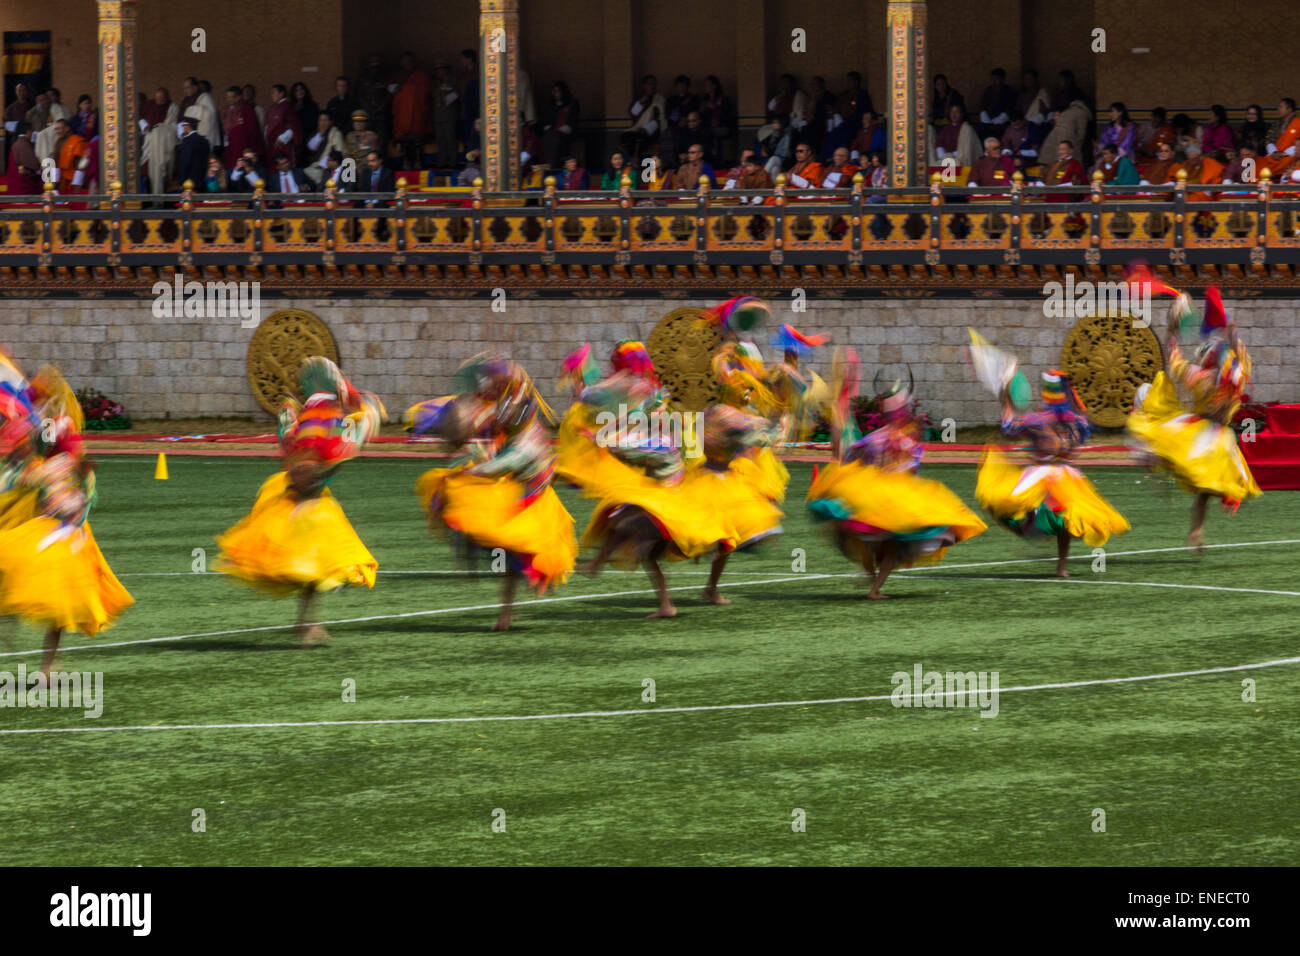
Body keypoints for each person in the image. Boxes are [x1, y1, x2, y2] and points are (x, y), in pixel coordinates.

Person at [560, 340, 735, 618]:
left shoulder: (636, 386)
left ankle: (598, 563)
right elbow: (605, 404)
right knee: (634, 530)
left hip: (662, 464)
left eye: (616, 360)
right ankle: (666, 604)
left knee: (626, 517)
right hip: (658, 465)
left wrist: (582, 382)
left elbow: (601, 401)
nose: (613, 366)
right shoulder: (645, 387)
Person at [216, 357, 383, 646]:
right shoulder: (323, 427)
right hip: (302, 503)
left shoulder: (311, 425)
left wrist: (357, 423)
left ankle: (308, 623)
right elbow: (324, 460)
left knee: (315, 568)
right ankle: (308, 624)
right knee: (314, 567)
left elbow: (322, 456)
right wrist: (363, 420)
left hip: (306, 499)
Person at [407, 356, 576, 631]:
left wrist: (468, 470)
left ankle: (504, 606)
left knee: (506, 549)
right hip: (516, 489)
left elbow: (496, 467)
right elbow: (487, 418)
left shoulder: (525, 446)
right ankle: (504, 612)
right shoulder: (517, 418)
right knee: (503, 554)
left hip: (530, 503)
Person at [808, 351, 986, 598]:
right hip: (889, 496)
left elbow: (849, 457)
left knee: (878, 540)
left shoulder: (885, 439)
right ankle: (873, 584)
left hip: (882, 494)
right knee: (885, 542)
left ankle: (872, 582)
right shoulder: (895, 440)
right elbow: (905, 468)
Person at [0, 358, 133, 677]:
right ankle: (43, 663)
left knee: (55, 598)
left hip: (59, 530)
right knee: (36, 589)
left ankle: (46, 668)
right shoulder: (40, 451)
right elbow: (18, 470)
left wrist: (78, 502)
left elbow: (80, 478)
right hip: (44, 524)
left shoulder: (56, 450)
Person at [969, 341, 1128, 577]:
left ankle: (1035, 533)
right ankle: (1059, 563)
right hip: (1067, 478)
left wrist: (1005, 396)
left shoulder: (1039, 420)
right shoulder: (1077, 422)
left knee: (1022, 508)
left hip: (1045, 475)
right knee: (1064, 520)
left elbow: (1008, 427)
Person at [1127, 285, 1261, 550]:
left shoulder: (1204, 377)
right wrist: (1230, 330)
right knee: (1207, 488)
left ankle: (1196, 531)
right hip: (1215, 436)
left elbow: (1173, 358)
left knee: (1204, 486)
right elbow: (1241, 355)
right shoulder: (1233, 377)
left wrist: (1172, 330)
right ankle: (1197, 530)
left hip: (1205, 434)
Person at [391, 52, 431, 169]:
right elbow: (391, 90)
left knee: (417, 138)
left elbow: (425, 92)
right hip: (402, 112)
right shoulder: (398, 75)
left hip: (416, 112)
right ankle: (406, 161)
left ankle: (418, 161)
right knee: (404, 139)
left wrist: (407, 90)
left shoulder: (421, 75)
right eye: (405, 62)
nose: (407, 64)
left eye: (409, 61)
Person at [621, 74, 665, 160]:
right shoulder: (640, 98)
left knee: (640, 138)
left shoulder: (659, 98)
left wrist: (647, 128)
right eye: (649, 84)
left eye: (654, 84)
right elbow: (633, 113)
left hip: (653, 130)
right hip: (637, 128)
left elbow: (660, 118)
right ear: (644, 86)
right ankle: (633, 159)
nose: (652, 86)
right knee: (626, 137)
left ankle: (636, 159)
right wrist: (641, 102)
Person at [221, 85, 262, 170]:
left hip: (243, 145)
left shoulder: (247, 109)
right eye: (227, 97)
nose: (228, 99)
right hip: (230, 145)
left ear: (239, 97)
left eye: (231, 97)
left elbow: (253, 129)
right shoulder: (227, 109)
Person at [541, 80, 579, 169]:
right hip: (552, 132)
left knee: (556, 141)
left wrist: (566, 128)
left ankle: (553, 166)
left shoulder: (572, 103)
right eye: (554, 91)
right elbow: (547, 119)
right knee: (545, 140)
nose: (555, 93)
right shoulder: (550, 104)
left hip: (567, 134)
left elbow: (574, 119)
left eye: (557, 91)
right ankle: (546, 166)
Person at [265, 84, 303, 166]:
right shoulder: (272, 108)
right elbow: (268, 124)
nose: (272, 95)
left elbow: (294, 127)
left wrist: (282, 138)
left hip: (283, 146)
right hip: (272, 146)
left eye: (274, 93)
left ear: (281, 94)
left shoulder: (288, 107)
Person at [303, 112, 346, 186]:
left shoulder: (335, 133)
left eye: (325, 120)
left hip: (328, 166)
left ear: (330, 122)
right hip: (315, 164)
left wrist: (323, 164)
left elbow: (338, 152)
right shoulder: (316, 133)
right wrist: (320, 135)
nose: (323, 123)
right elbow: (311, 147)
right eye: (321, 120)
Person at [1261, 98, 1300, 177]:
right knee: (1263, 162)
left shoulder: (1298, 123)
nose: (1278, 109)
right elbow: (1269, 140)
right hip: (1275, 157)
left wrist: (1285, 154)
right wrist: (1274, 153)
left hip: (1291, 155)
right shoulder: (1276, 125)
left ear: (1289, 109)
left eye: (1281, 107)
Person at [700, 75, 733, 166]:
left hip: (722, 127)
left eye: (708, 85)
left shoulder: (723, 99)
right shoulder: (704, 100)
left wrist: (714, 107)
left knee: (709, 134)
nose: (706, 87)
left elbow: (727, 117)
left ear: (714, 86)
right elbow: (701, 116)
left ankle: (718, 163)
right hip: (707, 128)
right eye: (705, 85)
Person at [432, 62, 459, 168]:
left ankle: (453, 162)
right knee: (440, 140)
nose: (440, 72)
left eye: (441, 70)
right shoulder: (435, 83)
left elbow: (456, 94)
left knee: (450, 139)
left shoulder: (453, 81)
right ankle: (441, 162)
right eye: (437, 70)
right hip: (438, 116)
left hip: (449, 116)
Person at [976, 68, 1016, 139]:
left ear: (1003, 79)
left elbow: (1010, 108)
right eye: (992, 79)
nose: (994, 81)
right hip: (987, 121)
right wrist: (986, 119)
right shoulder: (988, 90)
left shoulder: (1009, 91)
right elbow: (982, 106)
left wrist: (998, 120)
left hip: (1002, 122)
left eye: (997, 79)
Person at [3, 121, 40, 195]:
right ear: (28, 131)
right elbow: (34, 165)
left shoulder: (17, 143)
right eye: (32, 132)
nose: (32, 135)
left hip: (15, 182)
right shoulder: (24, 144)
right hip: (23, 184)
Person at [176, 111, 211, 190]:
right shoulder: (204, 140)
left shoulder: (187, 141)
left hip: (189, 183)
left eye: (183, 125)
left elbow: (185, 162)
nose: (182, 128)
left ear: (188, 126)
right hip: (202, 180)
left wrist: (182, 181)